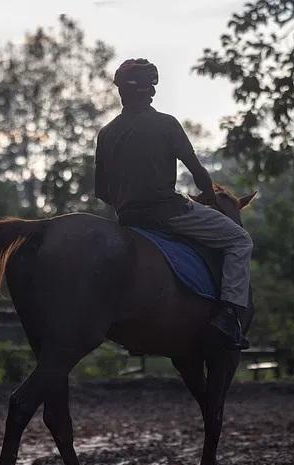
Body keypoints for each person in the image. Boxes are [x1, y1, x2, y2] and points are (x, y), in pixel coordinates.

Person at [94, 58, 253, 350]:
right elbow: (198, 173)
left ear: (122, 92)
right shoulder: (166, 124)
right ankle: (230, 314)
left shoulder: (106, 134)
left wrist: (128, 203)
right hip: (170, 212)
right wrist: (207, 195)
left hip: (129, 219)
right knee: (239, 240)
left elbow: (101, 191)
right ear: (150, 92)